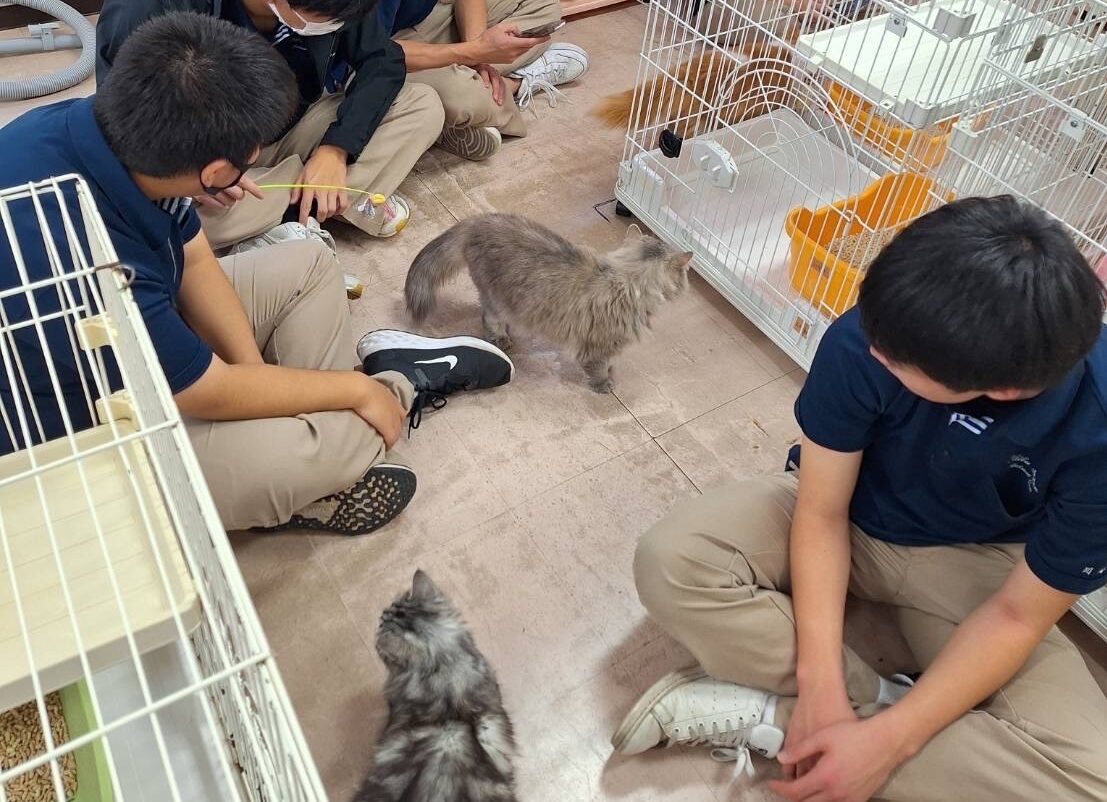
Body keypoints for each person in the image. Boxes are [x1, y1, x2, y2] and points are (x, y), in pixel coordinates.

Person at [613, 196, 1107, 801]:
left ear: (1001, 391)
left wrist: (896, 739)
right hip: (846, 514)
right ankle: (860, 706)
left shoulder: (1098, 429)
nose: (870, 349)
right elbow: (821, 513)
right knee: (672, 561)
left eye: (896, 364)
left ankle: (784, 721)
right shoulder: (877, 332)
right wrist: (822, 685)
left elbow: (1018, 613)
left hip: (975, 562)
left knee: (1087, 780)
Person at [0, 12, 513, 535]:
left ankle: (327, 431)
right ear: (217, 174)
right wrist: (354, 395)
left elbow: (196, 258)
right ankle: (387, 388)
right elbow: (208, 391)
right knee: (357, 430)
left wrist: (258, 383)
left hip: (134, 351)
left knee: (308, 263)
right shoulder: (84, 254)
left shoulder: (102, 128)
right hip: (71, 442)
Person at [97, 0, 445, 243]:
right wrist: (195, 174)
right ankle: (320, 207)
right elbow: (125, 125)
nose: (332, 26)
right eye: (321, 18)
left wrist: (335, 150)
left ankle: (294, 215)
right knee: (166, 223)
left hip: (284, 128)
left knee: (422, 105)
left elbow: (382, 60)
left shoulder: (335, 4)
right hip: (205, 163)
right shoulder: (145, 8)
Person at [383, 0, 588, 161]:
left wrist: (478, 53)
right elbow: (371, 52)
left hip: (418, 21)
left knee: (544, 7)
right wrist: (472, 52)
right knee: (460, 93)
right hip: (376, 57)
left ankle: (464, 97)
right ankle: (514, 83)